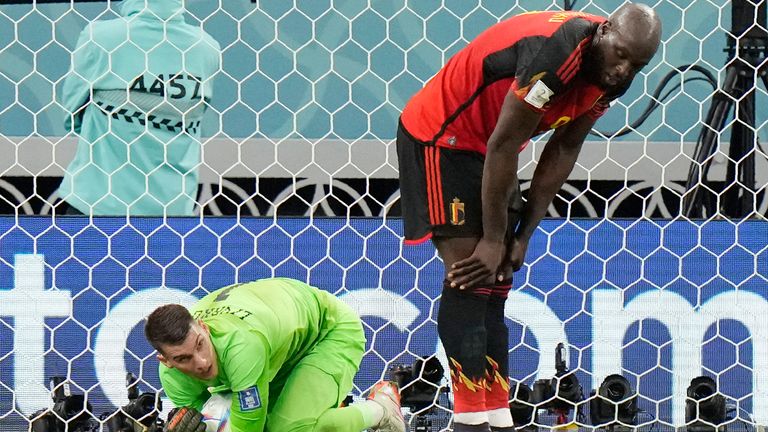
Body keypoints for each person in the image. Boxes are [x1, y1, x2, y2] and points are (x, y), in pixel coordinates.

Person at [396, 4, 661, 432]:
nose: (623, 70)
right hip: (442, 135)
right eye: (621, 54)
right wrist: (494, 236)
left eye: (637, 64)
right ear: (604, 31)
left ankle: (497, 415)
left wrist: (522, 235)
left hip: (491, 147)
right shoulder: (554, 54)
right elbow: (504, 143)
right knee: (471, 274)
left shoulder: (615, 76)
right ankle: (468, 420)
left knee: (498, 280)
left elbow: (564, 148)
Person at [144, 278, 406, 432]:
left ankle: (381, 410)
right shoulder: (173, 378)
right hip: (278, 344)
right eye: (183, 359)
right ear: (165, 361)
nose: (200, 362)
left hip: (327, 331)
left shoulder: (242, 346)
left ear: (203, 327)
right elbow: (203, 420)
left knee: (290, 429)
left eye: (200, 345)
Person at [59, 0, 220, 216]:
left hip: (97, 207)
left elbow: (72, 116)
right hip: (173, 214)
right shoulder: (207, 47)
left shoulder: (100, 38)